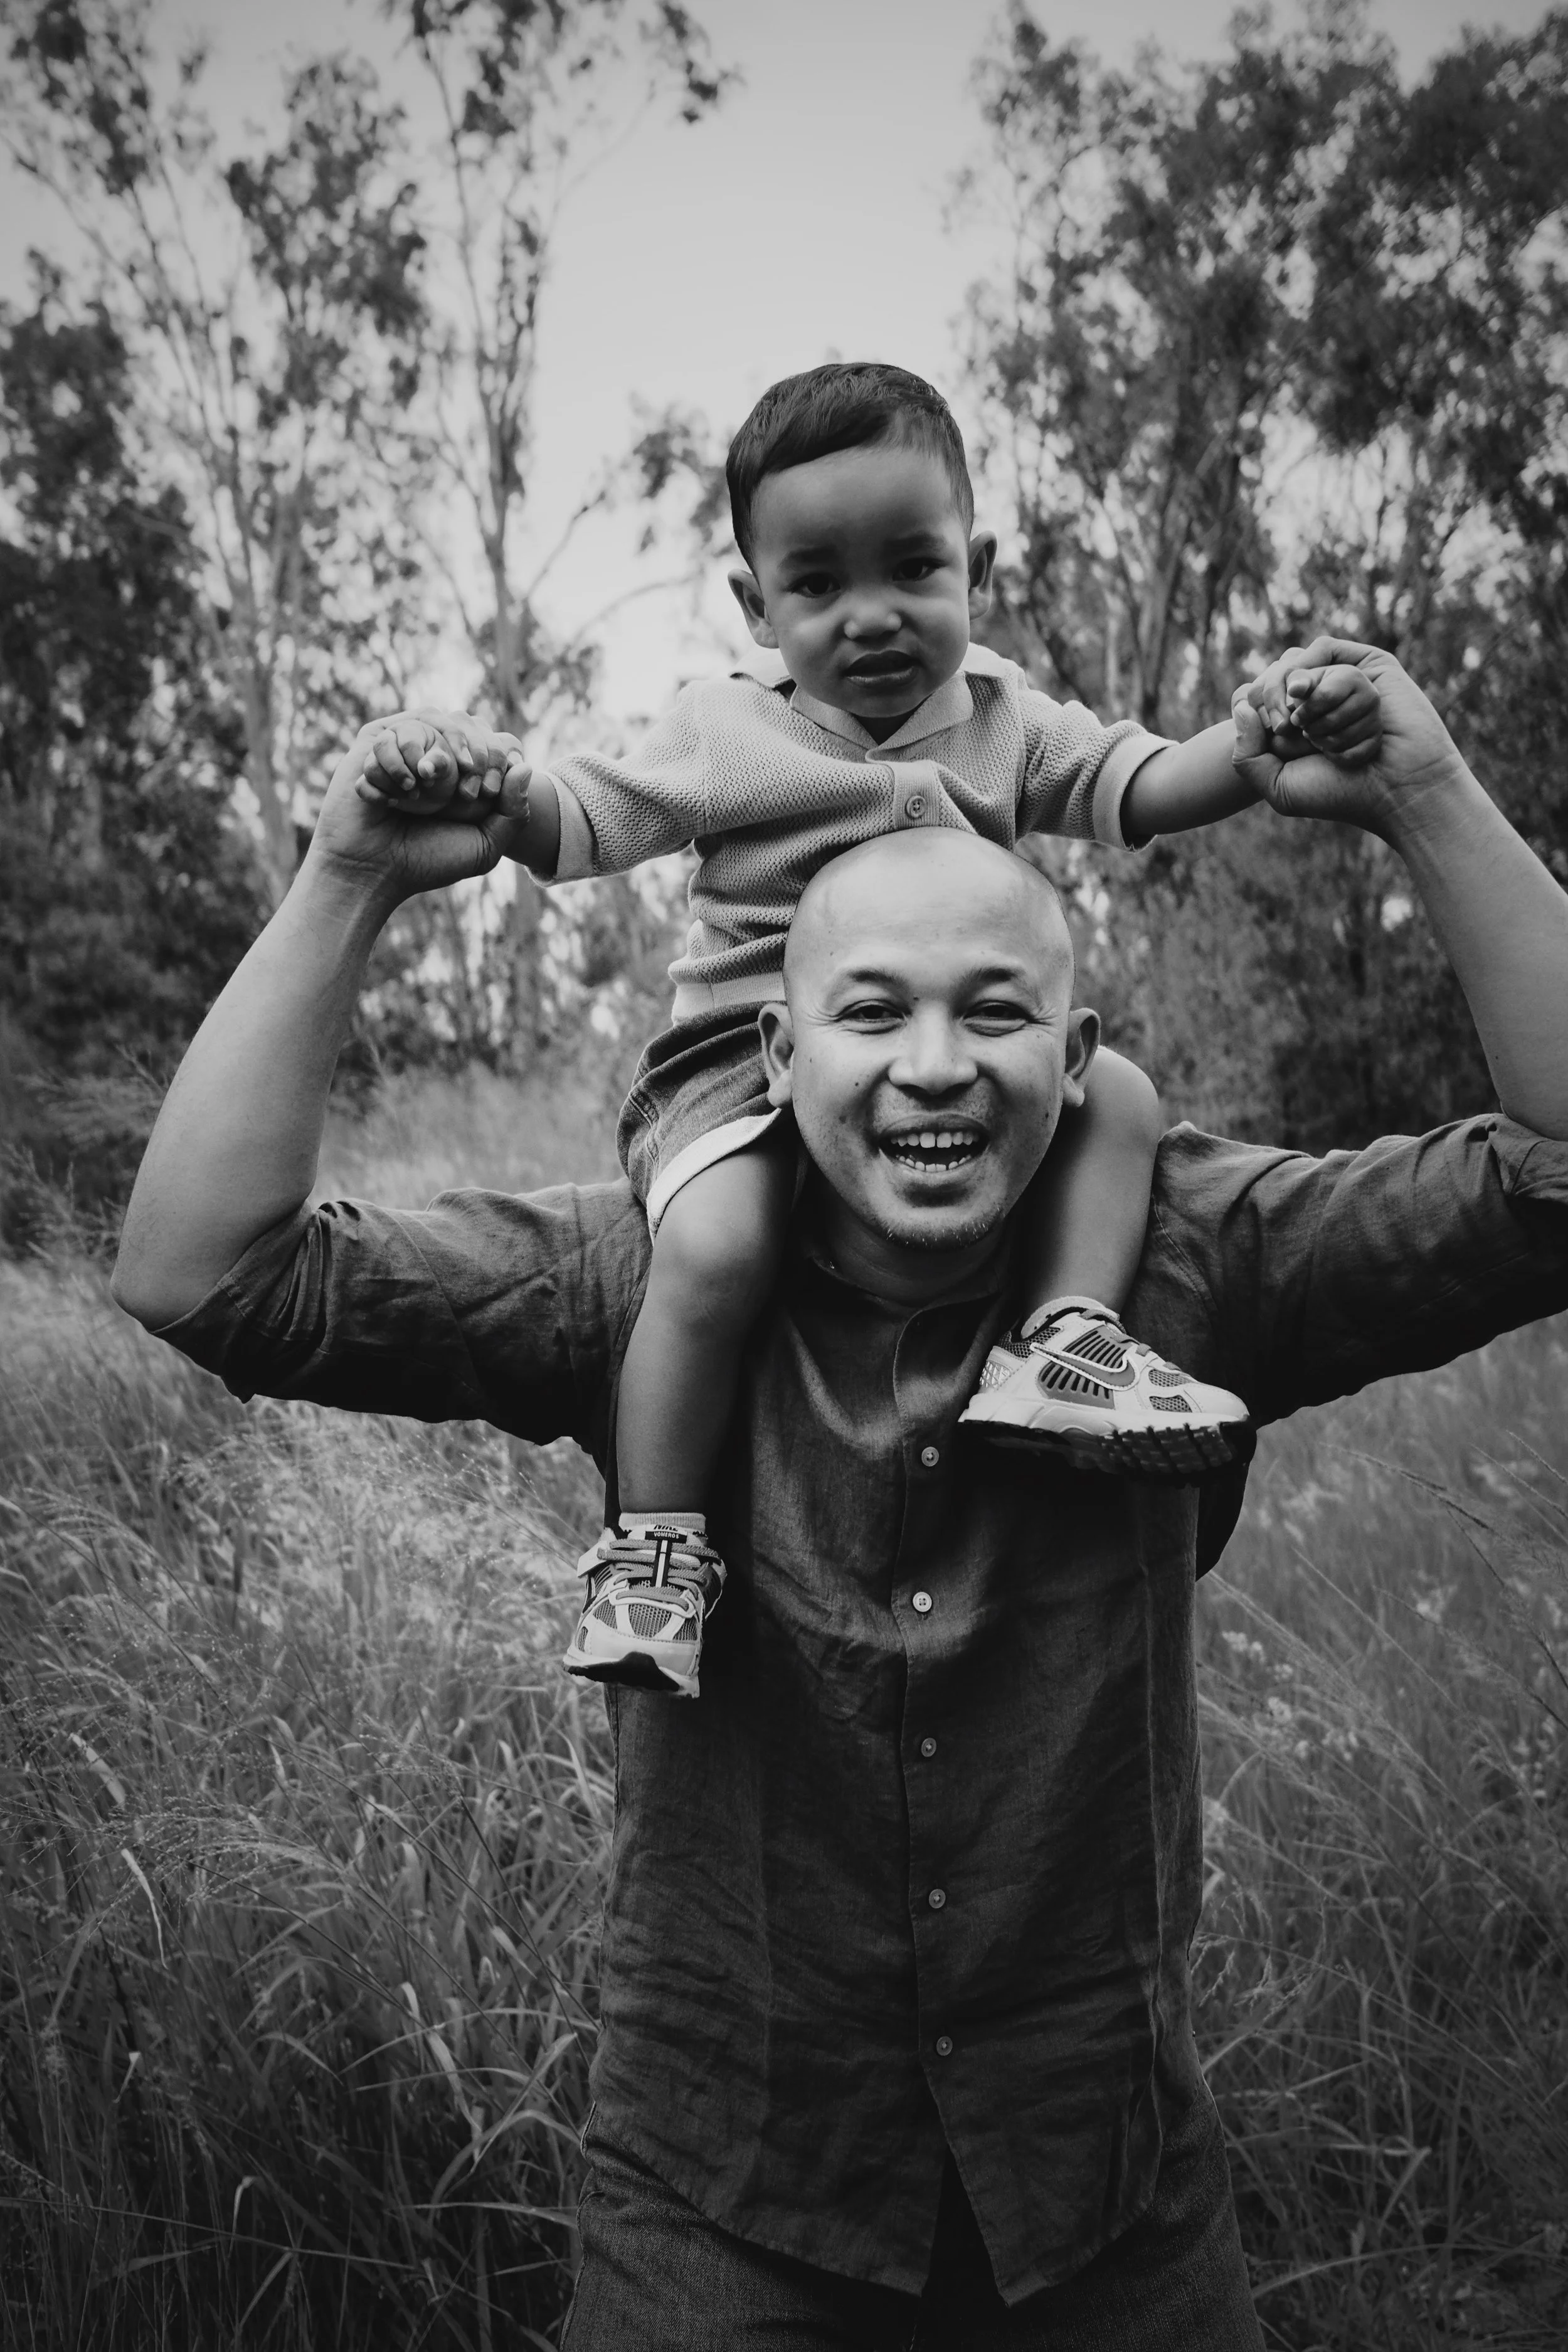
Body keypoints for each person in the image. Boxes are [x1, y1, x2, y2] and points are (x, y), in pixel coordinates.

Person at [113, 637, 1568, 2349]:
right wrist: (347, 874)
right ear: (777, 1044)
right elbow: (203, 1271)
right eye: (871, 1008)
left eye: (996, 1010)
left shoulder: (1189, 1254)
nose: (934, 1063)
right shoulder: (645, 1275)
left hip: (1103, 2187)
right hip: (727, 2195)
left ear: (1080, 1050)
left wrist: (1421, 788)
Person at [354, 359, 1383, 1700]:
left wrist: (1249, 750)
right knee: (718, 1245)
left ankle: (1059, 1341)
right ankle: (655, 1548)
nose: (872, 617)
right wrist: (483, 791)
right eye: (818, 586)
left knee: (1118, 1097)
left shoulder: (1008, 722)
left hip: (942, 1059)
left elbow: (1139, 783)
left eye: (912, 569)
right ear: (755, 604)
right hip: (738, 1061)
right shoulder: (729, 732)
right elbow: (580, 818)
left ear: (978, 566)